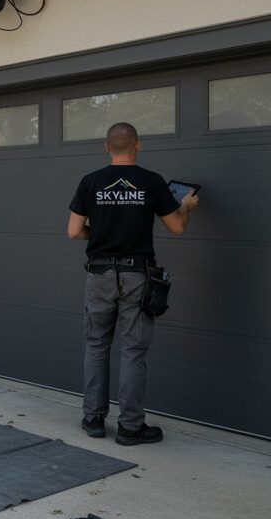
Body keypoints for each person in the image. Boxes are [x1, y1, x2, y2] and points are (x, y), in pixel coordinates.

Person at [66, 122, 199, 446]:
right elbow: (178, 228)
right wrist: (186, 207)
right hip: (136, 276)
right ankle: (130, 427)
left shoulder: (91, 182)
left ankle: (94, 419)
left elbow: (73, 231)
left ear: (107, 146)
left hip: (98, 274)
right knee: (133, 350)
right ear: (137, 145)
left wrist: (98, 235)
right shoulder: (152, 182)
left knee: (97, 345)